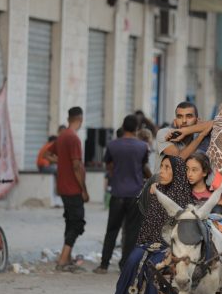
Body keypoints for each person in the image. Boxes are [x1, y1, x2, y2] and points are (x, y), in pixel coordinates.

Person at [109, 155, 194, 294]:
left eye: (166, 168)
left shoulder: (185, 198)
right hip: (148, 243)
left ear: (177, 172)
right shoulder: (155, 191)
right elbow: (147, 223)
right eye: (161, 167)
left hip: (171, 248)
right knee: (131, 262)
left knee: (153, 270)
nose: (161, 172)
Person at [95, 115, 151, 275]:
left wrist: (115, 176)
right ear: (136, 129)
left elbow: (109, 165)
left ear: (123, 126)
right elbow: (143, 167)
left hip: (117, 192)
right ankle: (125, 265)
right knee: (132, 231)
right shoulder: (142, 146)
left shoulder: (112, 145)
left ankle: (104, 265)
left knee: (112, 229)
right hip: (135, 194)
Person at [45, 107, 89, 272]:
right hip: (73, 188)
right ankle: (63, 259)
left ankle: (67, 256)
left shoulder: (62, 136)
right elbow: (77, 166)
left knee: (70, 221)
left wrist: (61, 162)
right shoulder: (73, 138)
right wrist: (83, 189)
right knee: (78, 222)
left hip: (63, 187)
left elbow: (47, 155)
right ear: (80, 119)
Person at [154, 102, 212, 172]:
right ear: (175, 121)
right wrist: (201, 135)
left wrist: (187, 130)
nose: (184, 121)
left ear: (197, 121)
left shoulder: (197, 137)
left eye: (189, 116)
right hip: (160, 182)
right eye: (179, 117)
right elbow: (179, 160)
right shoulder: (164, 133)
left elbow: (216, 122)